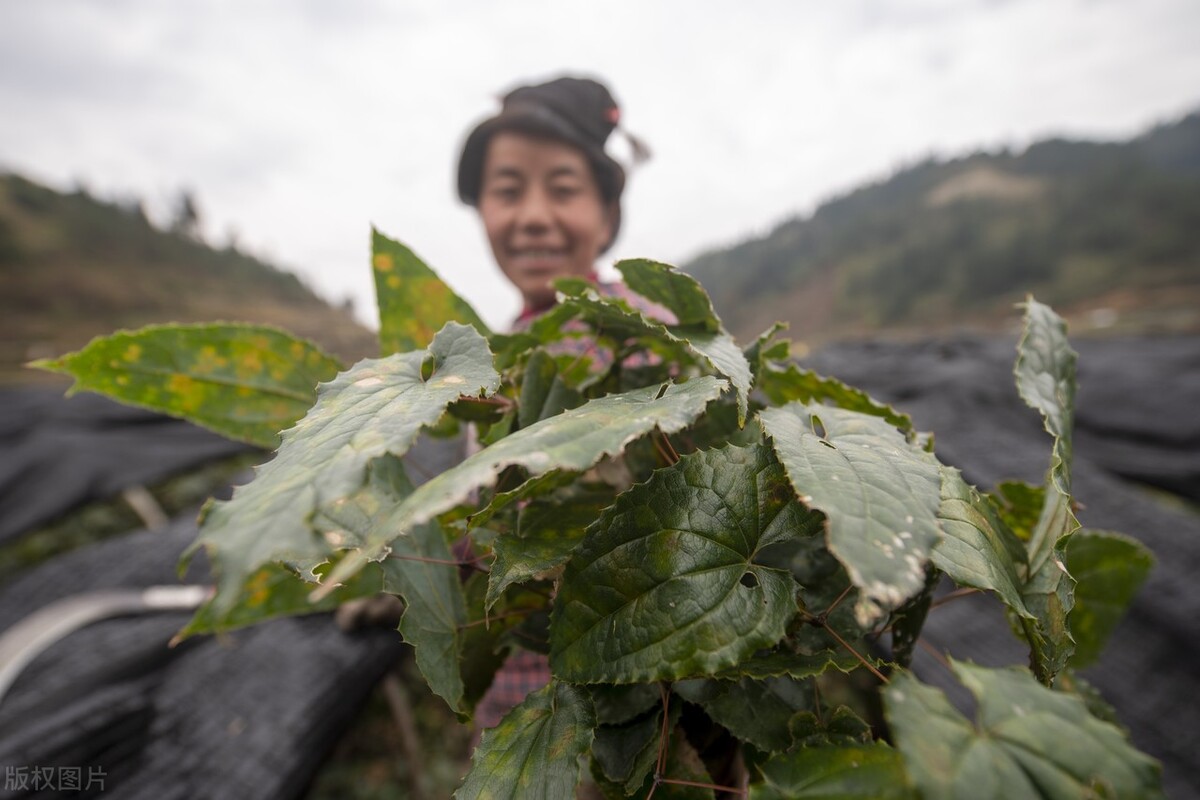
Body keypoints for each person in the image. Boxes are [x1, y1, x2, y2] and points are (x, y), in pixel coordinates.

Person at [455, 74, 656, 733]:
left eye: (563, 189)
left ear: (605, 214)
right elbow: (478, 530)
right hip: (514, 721)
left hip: (634, 721)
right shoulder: (486, 359)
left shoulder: (649, 338)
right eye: (508, 190)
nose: (534, 216)